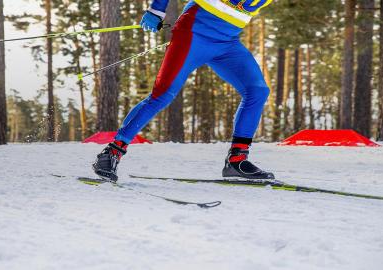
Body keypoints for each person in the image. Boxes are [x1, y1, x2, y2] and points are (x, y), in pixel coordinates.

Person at [93, 0, 275, 181]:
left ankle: (237, 159)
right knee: (162, 95)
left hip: (228, 43)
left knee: (257, 91)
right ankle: (112, 152)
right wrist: (157, 9)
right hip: (193, 33)